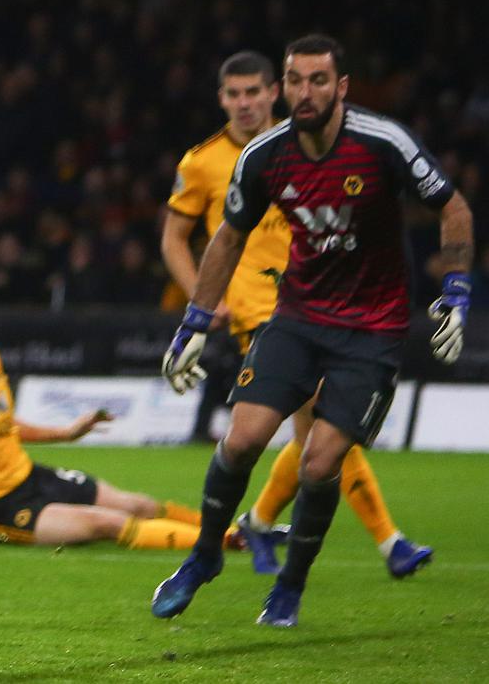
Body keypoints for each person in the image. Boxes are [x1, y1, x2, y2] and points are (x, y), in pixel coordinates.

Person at [155, 34, 474, 627]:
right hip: (298, 318)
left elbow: (454, 208)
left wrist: (456, 290)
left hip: (373, 329)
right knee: (243, 439)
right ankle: (203, 557)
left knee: (321, 461)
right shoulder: (264, 156)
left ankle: (290, 586)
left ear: (341, 87)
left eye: (318, 81)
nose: (306, 92)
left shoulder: (383, 142)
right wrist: (195, 321)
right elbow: (226, 238)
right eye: (297, 80)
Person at [0, 295, 257, 551]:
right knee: (105, 522)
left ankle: (232, 529)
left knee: (138, 505)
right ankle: (229, 542)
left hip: (31, 476)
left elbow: (4, 424)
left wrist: (66, 432)